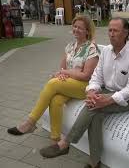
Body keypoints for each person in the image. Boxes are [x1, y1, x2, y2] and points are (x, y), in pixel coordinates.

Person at [39, 17, 129, 168]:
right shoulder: (106, 51)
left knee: (92, 107)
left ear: (126, 33)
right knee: (96, 114)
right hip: (106, 91)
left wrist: (107, 100)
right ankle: (95, 162)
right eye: (109, 30)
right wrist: (92, 91)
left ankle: (65, 143)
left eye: (116, 31)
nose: (111, 34)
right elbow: (96, 77)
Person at [7, 15, 99, 143]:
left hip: (85, 87)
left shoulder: (92, 49)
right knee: (55, 100)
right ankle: (55, 138)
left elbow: (86, 75)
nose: (76, 29)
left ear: (87, 31)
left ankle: (30, 122)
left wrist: (65, 72)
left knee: (52, 84)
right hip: (70, 84)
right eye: (75, 26)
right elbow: (62, 67)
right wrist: (63, 74)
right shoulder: (70, 46)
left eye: (80, 28)